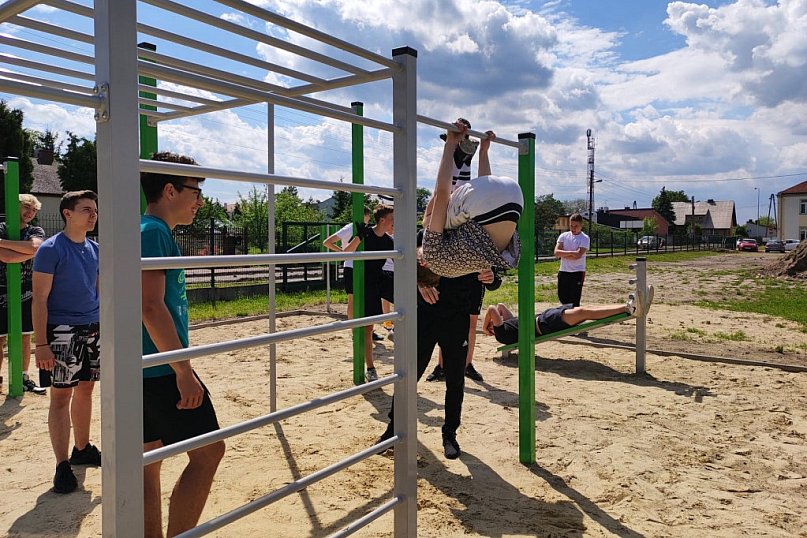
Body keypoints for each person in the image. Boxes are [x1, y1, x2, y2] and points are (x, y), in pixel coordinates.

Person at [140, 152, 225, 538]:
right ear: (170, 189)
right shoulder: (154, 231)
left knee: (148, 458)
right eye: (196, 190)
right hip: (160, 369)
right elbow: (150, 305)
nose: (200, 200)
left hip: (141, 365)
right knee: (209, 452)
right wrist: (183, 371)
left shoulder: (143, 229)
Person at [32, 190, 101, 494]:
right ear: (67, 214)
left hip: (93, 327)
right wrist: (42, 343)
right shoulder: (50, 249)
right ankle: (62, 465)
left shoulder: (97, 248)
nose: (93, 215)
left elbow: (97, 291)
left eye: (95, 210)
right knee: (61, 397)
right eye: (86, 209)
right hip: (61, 330)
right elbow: (39, 299)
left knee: (86, 388)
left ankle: (82, 448)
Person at [420, 120, 523, 278]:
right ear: (422, 263)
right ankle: (458, 158)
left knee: (449, 219)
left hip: (514, 197)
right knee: (429, 220)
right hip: (485, 203)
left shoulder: (467, 266)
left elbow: (486, 188)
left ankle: (463, 158)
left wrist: (484, 150)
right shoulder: (432, 256)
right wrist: (450, 143)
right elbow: (441, 195)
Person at [483, 286, 655, 345]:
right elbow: (492, 308)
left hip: (545, 319)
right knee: (583, 312)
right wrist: (486, 325)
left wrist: (496, 319)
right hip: (545, 324)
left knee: (586, 309)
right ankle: (628, 308)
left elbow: (500, 307)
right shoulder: (502, 334)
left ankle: (629, 306)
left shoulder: (508, 326)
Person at [0, 194, 46, 394]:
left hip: (26, 288)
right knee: (0, 338)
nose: (30, 212)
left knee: (25, 335)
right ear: (15, 206)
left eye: (34, 210)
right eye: (27, 207)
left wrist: (2, 243)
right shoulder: (2, 227)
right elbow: (8, 256)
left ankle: (23, 377)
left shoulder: (35, 230)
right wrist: (25, 252)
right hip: (1, 288)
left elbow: (36, 246)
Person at [355, 204, 394, 382]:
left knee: (407, 295)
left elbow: (401, 260)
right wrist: (358, 236)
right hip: (366, 281)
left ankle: (396, 328)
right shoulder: (366, 234)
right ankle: (370, 367)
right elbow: (348, 252)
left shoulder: (388, 240)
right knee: (368, 327)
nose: (395, 223)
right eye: (393, 219)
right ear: (383, 220)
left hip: (380, 277)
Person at [554, 213, 589, 307]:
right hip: (564, 270)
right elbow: (557, 253)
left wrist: (564, 253)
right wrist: (571, 253)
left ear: (581, 225)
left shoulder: (584, 238)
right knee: (562, 297)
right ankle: (566, 317)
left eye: (576, 226)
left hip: (577, 272)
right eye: (571, 226)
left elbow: (578, 255)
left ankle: (575, 319)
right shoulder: (563, 236)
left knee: (574, 299)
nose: (573, 228)